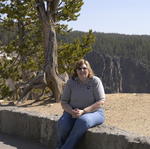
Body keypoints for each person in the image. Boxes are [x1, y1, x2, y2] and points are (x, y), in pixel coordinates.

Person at [56, 59, 105, 149]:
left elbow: (101, 102)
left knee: (83, 121)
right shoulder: (71, 83)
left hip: (94, 112)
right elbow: (64, 102)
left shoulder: (95, 81)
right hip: (73, 112)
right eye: (79, 68)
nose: (82, 70)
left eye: (84, 68)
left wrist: (83, 111)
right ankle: (60, 146)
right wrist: (71, 111)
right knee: (63, 125)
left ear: (88, 70)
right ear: (76, 71)